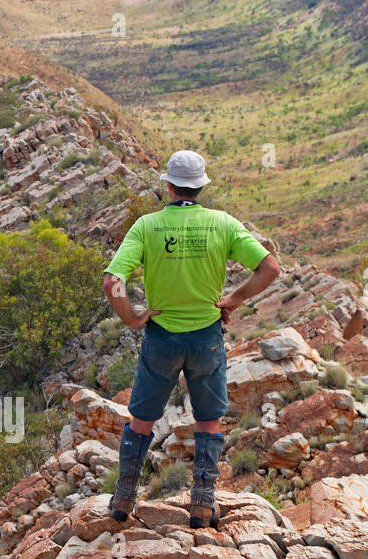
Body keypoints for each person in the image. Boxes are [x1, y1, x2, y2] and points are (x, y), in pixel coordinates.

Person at [102, 149, 280, 529]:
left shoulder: (146, 227)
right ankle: (201, 507)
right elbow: (270, 267)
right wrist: (235, 298)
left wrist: (133, 318)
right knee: (209, 420)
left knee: (142, 420)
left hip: (161, 338)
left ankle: (123, 501)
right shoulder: (223, 223)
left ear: (168, 186)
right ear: (200, 187)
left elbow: (112, 282)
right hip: (207, 339)